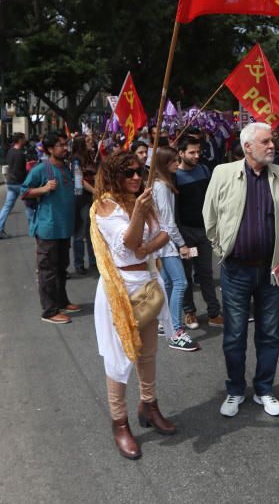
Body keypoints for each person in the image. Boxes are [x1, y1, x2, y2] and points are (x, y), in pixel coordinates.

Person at [203, 122, 279, 418]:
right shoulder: (223, 173)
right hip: (235, 271)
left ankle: (264, 389)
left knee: (270, 334)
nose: (272, 146)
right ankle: (235, 390)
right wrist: (222, 250)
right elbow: (209, 218)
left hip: (272, 271)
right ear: (248, 147)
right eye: (265, 142)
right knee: (234, 334)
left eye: (272, 141)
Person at [90, 151, 176, 459]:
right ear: (115, 176)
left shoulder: (143, 200)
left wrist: (145, 245)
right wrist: (139, 217)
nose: (137, 178)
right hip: (120, 291)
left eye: (139, 171)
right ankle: (120, 423)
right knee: (120, 359)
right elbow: (127, 245)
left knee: (148, 353)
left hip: (148, 286)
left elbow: (166, 232)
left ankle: (149, 405)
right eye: (129, 173)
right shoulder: (105, 206)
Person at [21, 130, 80, 324]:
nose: (65, 148)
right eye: (60, 145)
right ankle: (49, 311)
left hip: (64, 228)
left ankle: (62, 302)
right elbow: (25, 191)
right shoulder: (41, 169)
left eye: (65, 144)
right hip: (48, 228)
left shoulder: (67, 168)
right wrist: (44, 189)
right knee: (47, 270)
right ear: (49, 149)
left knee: (62, 268)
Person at [152, 147, 199, 351]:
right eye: (172, 160)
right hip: (166, 242)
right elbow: (168, 222)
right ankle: (176, 331)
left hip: (163, 240)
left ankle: (166, 323)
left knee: (170, 283)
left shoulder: (163, 183)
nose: (176, 163)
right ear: (164, 163)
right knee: (180, 282)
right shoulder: (161, 186)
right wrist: (182, 244)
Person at [176, 136, 223, 329]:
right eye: (191, 152)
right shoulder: (175, 177)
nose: (196, 156)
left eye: (198, 152)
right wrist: (180, 241)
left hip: (204, 233)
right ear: (181, 153)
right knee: (186, 275)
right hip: (186, 235)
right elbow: (174, 210)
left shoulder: (204, 170)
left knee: (205, 273)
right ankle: (190, 312)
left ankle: (213, 312)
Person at [70, 135, 97, 274]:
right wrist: (94, 191)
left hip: (91, 198)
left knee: (91, 231)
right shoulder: (76, 160)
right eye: (87, 141)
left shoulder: (91, 157)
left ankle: (94, 261)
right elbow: (79, 180)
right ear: (81, 144)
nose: (91, 142)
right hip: (81, 199)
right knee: (80, 233)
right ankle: (79, 263)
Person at [0, 132, 28, 239]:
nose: (25, 139)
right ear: (20, 139)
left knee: (7, 207)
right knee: (31, 205)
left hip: (11, 183)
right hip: (19, 183)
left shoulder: (10, 151)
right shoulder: (19, 154)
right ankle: (35, 229)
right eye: (24, 138)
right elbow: (20, 172)